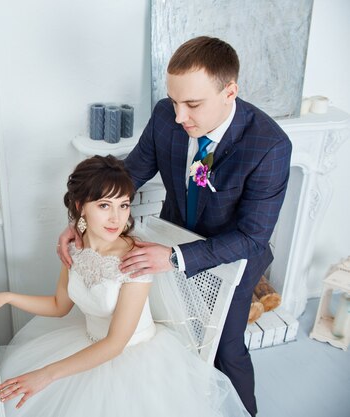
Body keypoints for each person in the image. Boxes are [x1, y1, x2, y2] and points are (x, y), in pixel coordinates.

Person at [58, 36, 292, 416]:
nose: (179, 116)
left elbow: (252, 236)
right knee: (170, 335)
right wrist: (80, 221)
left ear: (229, 91)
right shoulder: (167, 115)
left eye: (193, 104)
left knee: (226, 346)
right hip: (170, 237)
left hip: (232, 257)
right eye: (174, 101)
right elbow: (128, 176)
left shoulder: (269, 145)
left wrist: (176, 257)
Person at [0, 155, 250, 417]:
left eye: (123, 204)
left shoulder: (135, 260)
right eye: (104, 206)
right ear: (80, 207)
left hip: (131, 360)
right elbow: (59, 306)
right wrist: (7, 297)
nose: (117, 218)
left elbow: (114, 345)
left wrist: (47, 374)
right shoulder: (75, 246)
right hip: (85, 343)